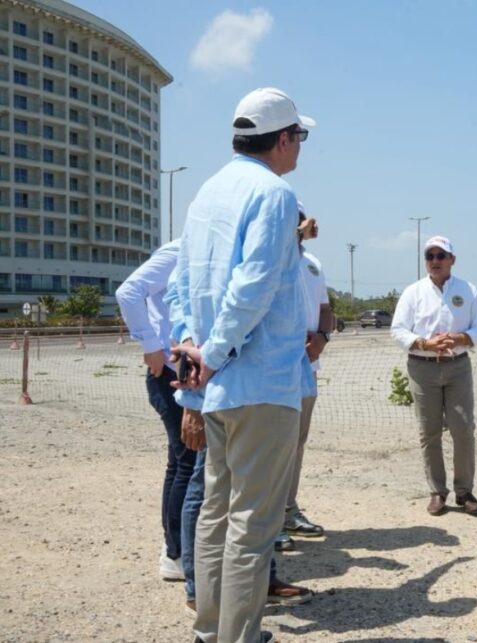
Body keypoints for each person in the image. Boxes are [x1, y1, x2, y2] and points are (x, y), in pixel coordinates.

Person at [172, 87, 314, 643]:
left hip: (216, 388)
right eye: (300, 136)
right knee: (253, 526)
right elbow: (252, 287)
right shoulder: (274, 194)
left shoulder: (206, 193)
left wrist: (193, 346)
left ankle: (210, 631)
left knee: (216, 513)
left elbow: (182, 283)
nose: (299, 146)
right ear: (283, 139)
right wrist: (214, 353)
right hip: (261, 380)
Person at [115, 239, 195, 582]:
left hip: (180, 371)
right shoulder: (178, 251)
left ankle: (175, 547)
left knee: (180, 462)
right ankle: (176, 552)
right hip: (169, 372)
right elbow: (128, 292)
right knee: (187, 463)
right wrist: (149, 345)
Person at [391, 235, 477, 516]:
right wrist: (425, 343)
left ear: (452, 260)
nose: (435, 261)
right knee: (429, 432)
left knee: (463, 429)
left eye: (441, 255)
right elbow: (397, 330)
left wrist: (460, 338)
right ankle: (437, 491)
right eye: (430, 256)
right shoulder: (413, 292)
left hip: (458, 366)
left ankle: (464, 491)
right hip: (422, 368)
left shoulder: (468, 290)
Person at [274, 204, 334, 552]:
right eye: (291, 219)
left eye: (299, 218)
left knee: (295, 444)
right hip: (274, 368)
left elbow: (325, 310)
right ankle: (267, 520)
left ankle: (287, 511)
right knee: (272, 445)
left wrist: (322, 338)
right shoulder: (269, 258)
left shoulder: (312, 264)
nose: (300, 224)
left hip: (307, 368)